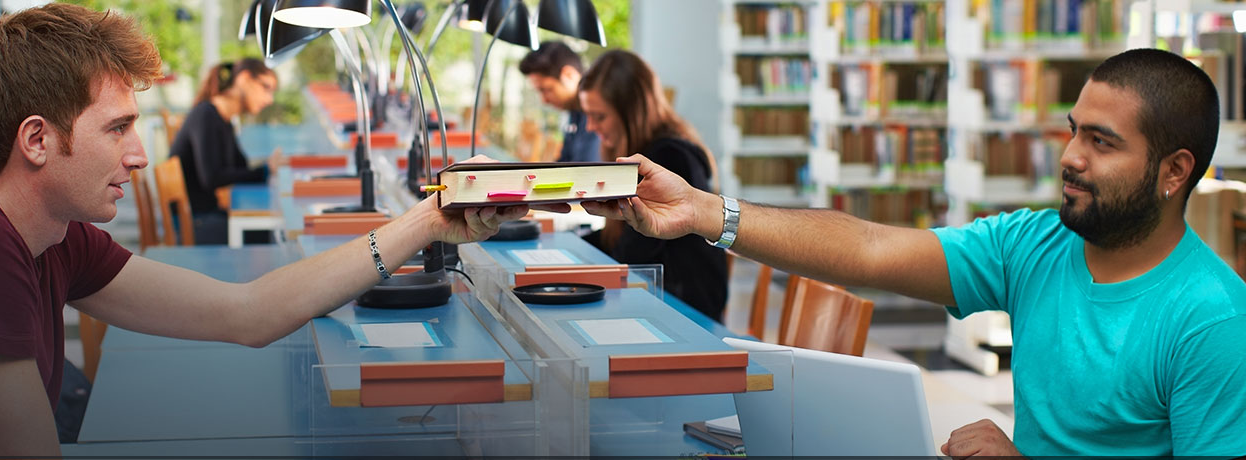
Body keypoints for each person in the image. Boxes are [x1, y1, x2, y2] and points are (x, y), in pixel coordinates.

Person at [0, 4, 525, 457]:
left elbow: (246, 313)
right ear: (36, 140)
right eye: (117, 129)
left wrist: (427, 220)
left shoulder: (54, 236)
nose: (138, 155)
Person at [554, 48, 1246, 456]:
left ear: (1174, 171)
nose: (1070, 157)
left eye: (1102, 142)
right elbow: (870, 248)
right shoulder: (1038, 245)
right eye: (1073, 132)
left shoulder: (1211, 320)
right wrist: (708, 212)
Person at [577, 49, 729, 321]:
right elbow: (623, 242)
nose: (590, 126)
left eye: (599, 116)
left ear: (631, 112)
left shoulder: (669, 158)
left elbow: (634, 252)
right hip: (663, 299)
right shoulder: (654, 149)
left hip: (684, 312)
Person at [171, 58, 280, 245]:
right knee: (266, 234)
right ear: (244, 79)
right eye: (266, 88)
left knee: (266, 231)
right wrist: (265, 170)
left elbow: (240, 165)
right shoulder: (206, 115)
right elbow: (211, 177)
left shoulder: (224, 118)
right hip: (195, 223)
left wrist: (264, 169)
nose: (269, 100)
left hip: (206, 215)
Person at [518, 41, 599, 163]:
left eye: (546, 90)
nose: (544, 100)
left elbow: (588, 172)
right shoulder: (574, 114)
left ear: (569, 75)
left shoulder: (597, 113)